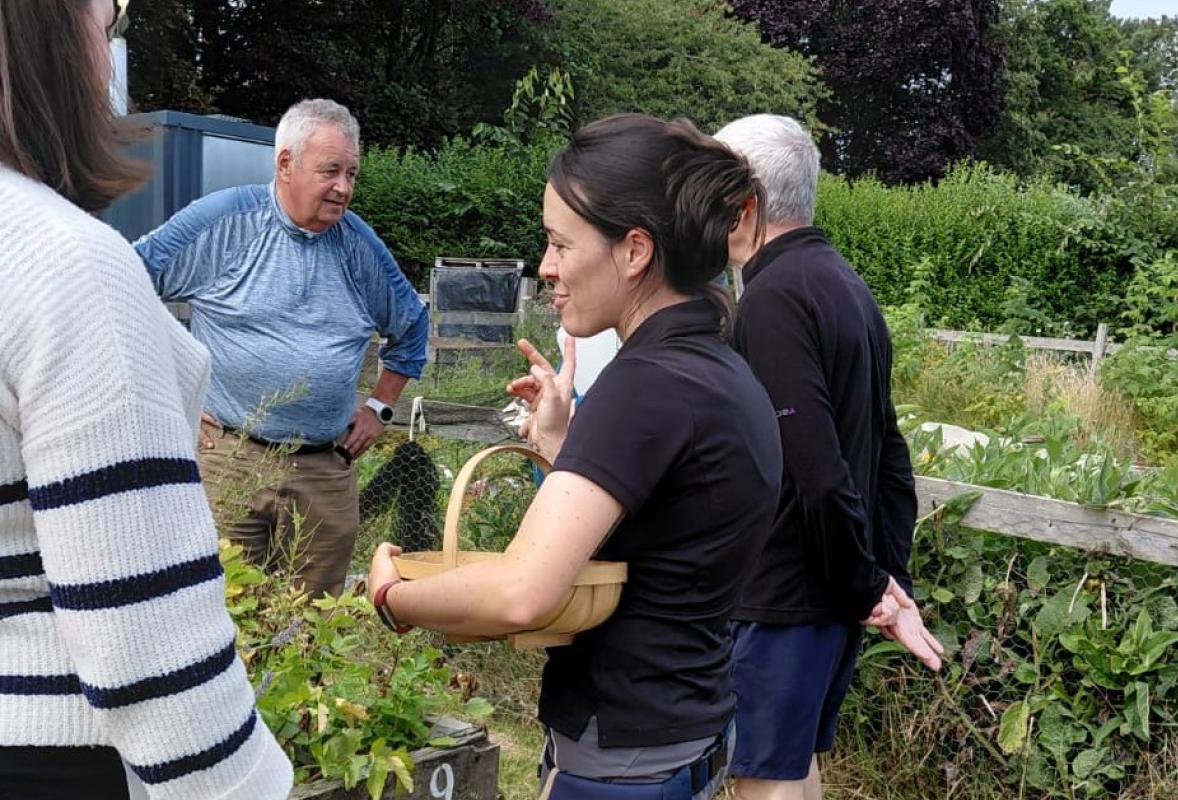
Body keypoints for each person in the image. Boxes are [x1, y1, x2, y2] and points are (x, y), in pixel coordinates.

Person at [368, 114, 783, 800]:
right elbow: (671, 528)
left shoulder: (642, 385)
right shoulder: (718, 366)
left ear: (634, 251)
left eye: (561, 242)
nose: (546, 266)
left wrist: (394, 596)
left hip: (621, 757)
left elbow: (520, 593)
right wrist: (568, 447)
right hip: (690, 733)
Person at [0, 1, 293, 798]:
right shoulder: (61, 264)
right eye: (107, 21)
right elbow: (146, 639)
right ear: (45, 37)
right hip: (46, 750)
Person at [715, 114, 945, 800]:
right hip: (828, 596)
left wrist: (871, 586)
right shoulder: (846, 284)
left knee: (763, 780)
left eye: (713, 188)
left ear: (747, 202)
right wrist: (882, 577)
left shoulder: (773, 300)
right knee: (794, 771)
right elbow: (889, 457)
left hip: (788, 596)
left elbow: (816, 471)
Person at [134, 98, 429, 598]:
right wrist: (172, 387)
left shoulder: (360, 249)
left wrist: (380, 407)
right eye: (331, 170)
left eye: (352, 173)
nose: (344, 187)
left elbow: (412, 327)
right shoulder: (224, 224)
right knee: (215, 607)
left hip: (323, 467)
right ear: (286, 163)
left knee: (312, 623)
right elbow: (123, 280)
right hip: (229, 455)